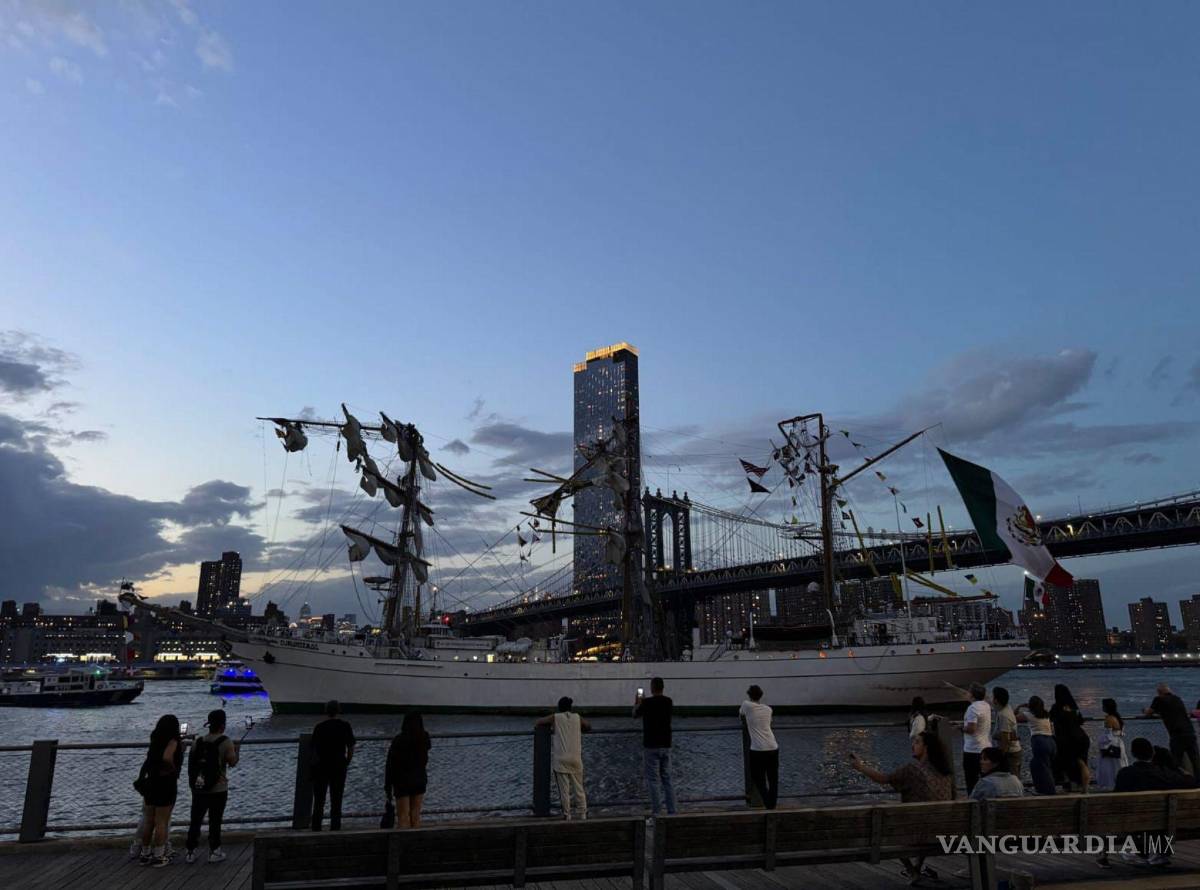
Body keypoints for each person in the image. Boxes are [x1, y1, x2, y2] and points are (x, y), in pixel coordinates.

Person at [851, 729, 952, 884]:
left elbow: (884, 779)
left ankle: (912, 871)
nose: (912, 745)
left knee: (888, 827)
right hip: (944, 832)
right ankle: (918, 866)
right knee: (924, 818)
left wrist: (860, 767)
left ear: (926, 748)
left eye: (917, 742)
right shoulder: (946, 773)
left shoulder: (912, 770)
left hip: (920, 834)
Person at [1112, 738, 1193, 867]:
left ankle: (1140, 851)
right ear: (1152, 754)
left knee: (1140, 816)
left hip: (1136, 822)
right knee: (1159, 816)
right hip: (1167, 821)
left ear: (1133, 753)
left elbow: (1116, 800)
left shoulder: (1125, 774)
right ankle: (1159, 853)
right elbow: (1191, 782)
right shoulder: (1165, 774)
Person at [185, 709, 239, 864]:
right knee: (215, 820)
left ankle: (190, 851)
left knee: (195, 819)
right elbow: (232, 762)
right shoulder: (226, 741)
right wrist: (237, 751)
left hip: (199, 787)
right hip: (218, 789)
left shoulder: (198, 741)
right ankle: (214, 851)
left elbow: (192, 765)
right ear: (223, 725)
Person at [133, 714, 183, 867]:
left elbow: (149, 761)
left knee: (149, 820)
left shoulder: (154, 741)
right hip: (165, 783)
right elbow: (168, 757)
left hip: (151, 783)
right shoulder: (173, 741)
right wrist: (173, 769)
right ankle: (159, 855)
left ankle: (145, 853)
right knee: (161, 821)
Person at [535, 697, 591, 820]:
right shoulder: (577, 717)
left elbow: (539, 721)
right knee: (579, 787)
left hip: (560, 759)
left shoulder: (555, 717)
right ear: (570, 708)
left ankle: (567, 814)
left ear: (559, 707)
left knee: (564, 789)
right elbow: (588, 725)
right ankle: (582, 812)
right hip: (575, 758)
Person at [634, 677, 677, 815]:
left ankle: (657, 812)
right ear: (663, 687)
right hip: (666, 744)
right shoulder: (668, 701)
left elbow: (634, 714)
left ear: (652, 688)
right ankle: (672, 811)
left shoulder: (646, 703)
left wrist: (638, 702)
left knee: (653, 780)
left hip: (651, 745)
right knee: (667, 778)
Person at [310, 700, 355, 831]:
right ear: (338, 711)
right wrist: (347, 761)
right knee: (337, 799)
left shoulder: (319, 727)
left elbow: (313, 749)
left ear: (326, 711)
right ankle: (335, 828)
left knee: (319, 800)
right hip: (339, 765)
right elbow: (351, 746)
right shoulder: (345, 726)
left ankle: (316, 828)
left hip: (321, 766)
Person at [385, 712, 432, 828]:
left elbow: (390, 764)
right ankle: (416, 841)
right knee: (415, 814)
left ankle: (403, 842)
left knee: (402, 816)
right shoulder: (424, 738)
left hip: (402, 780)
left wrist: (388, 785)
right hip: (419, 778)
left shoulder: (398, 740)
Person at [1145, 682, 1200, 777]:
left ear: (1159, 692)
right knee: (1195, 760)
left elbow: (1149, 712)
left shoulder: (1158, 699)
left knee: (1176, 761)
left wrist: (1144, 710)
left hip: (1176, 734)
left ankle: (1177, 781)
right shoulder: (1177, 699)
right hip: (1190, 732)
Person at [739, 685, 779, 810]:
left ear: (749, 695)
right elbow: (769, 722)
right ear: (761, 696)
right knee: (773, 778)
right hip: (773, 746)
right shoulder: (768, 709)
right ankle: (772, 805)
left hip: (757, 749)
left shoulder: (746, 705)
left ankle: (767, 802)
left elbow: (741, 716)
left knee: (757, 777)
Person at [1050, 684, 1090, 792]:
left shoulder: (1056, 707)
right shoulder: (1074, 706)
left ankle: (1068, 788)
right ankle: (1085, 789)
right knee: (1082, 763)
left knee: (1064, 764)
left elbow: (1050, 719)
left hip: (1066, 740)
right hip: (1081, 738)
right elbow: (1081, 721)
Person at [1015, 695, 1056, 795]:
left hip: (1039, 741)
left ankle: (1049, 792)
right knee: (1037, 765)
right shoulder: (1045, 714)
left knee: (1043, 768)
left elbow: (1013, 717)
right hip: (1051, 741)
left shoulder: (1028, 715)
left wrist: (1019, 706)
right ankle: (1043, 789)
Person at [959, 683, 991, 793]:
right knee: (986, 779)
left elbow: (971, 729)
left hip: (972, 749)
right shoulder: (986, 705)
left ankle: (972, 802)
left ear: (972, 695)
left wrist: (961, 728)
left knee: (971, 780)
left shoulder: (972, 708)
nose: (967, 693)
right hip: (985, 747)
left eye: (969, 692)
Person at [1095, 698, 1128, 791]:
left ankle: (1109, 785)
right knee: (1118, 764)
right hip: (1118, 743)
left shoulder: (1109, 718)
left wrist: (1101, 746)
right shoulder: (1117, 717)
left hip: (1111, 744)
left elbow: (1108, 735)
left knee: (1108, 766)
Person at [991, 687, 1022, 779]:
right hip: (1014, 751)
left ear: (996, 700)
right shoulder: (1007, 708)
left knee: (1012, 779)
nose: (991, 699)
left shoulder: (1003, 715)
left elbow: (1005, 739)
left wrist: (1001, 757)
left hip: (1010, 753)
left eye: (992, 697)